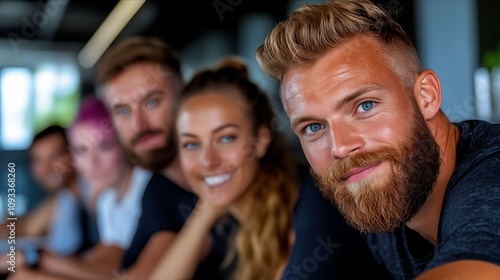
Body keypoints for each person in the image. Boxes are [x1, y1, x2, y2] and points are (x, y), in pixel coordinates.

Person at [255, 0, 500, 279]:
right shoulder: (385, 195)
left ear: (426, 96)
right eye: (313, 127)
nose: (340, 147)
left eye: (365, 106)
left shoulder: (491, 174)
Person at [149, 57, 391, 280]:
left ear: (260, 140)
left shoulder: (317, 200)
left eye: (225, 138)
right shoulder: (227, 225)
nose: (207, 161)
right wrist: (205, 212)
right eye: (191, 144)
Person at [96, 36, 226, 279]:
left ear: (184, 95)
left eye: (152, 101)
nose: (138, 125)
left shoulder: (230, 175)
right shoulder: (157, 190)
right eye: (123, 111)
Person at [1, 125, 98, 277]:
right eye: (38, 160)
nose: (46, 168)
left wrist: (32, 257)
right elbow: (29, 226)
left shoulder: (93, 198)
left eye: (54, 156)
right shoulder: (64, 196)